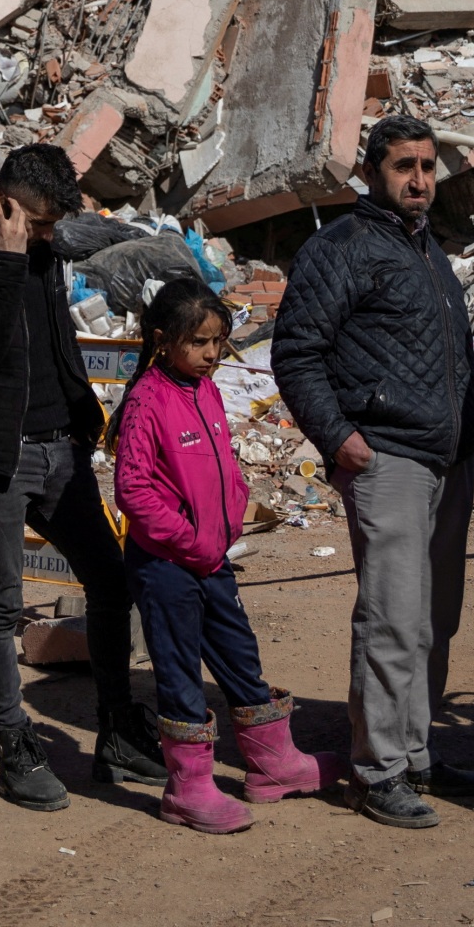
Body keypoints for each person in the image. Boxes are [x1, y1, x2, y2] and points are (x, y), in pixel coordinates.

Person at [0, 143, 163, 810]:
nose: (47, 236)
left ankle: (117, 729)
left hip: (60, 448)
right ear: (4, 202)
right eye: (39, 222)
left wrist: (82, 402)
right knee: (1, 603)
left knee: (110, 584)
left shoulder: (44, 250)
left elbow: (54, 332)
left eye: (52, 226)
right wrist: (4, 260)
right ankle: (15, 744)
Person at [273, 115, 474, 830]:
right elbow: (296, 352)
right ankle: (378, 770)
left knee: (435, 618)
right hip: (388, 458)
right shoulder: (339, 248)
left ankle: (416, 751)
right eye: (406, 166)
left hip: (446, 457)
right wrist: (342, 440)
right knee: (393, 618)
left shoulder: (426, 248)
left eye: (429, 167)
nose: (421, 181)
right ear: (373, 170)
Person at [112, 277, 341, 833]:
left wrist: (234, 507)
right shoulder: (147, 399)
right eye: (199, 343)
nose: (212, 354)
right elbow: (133, 490)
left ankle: (273, 766)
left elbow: (222, 466)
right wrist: (190, 540)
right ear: (164, 340)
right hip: (167, 565)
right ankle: (187, 788)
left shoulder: (207, 389)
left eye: (218, 342)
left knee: (239, 655)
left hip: (212, 559)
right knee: (179, 670)